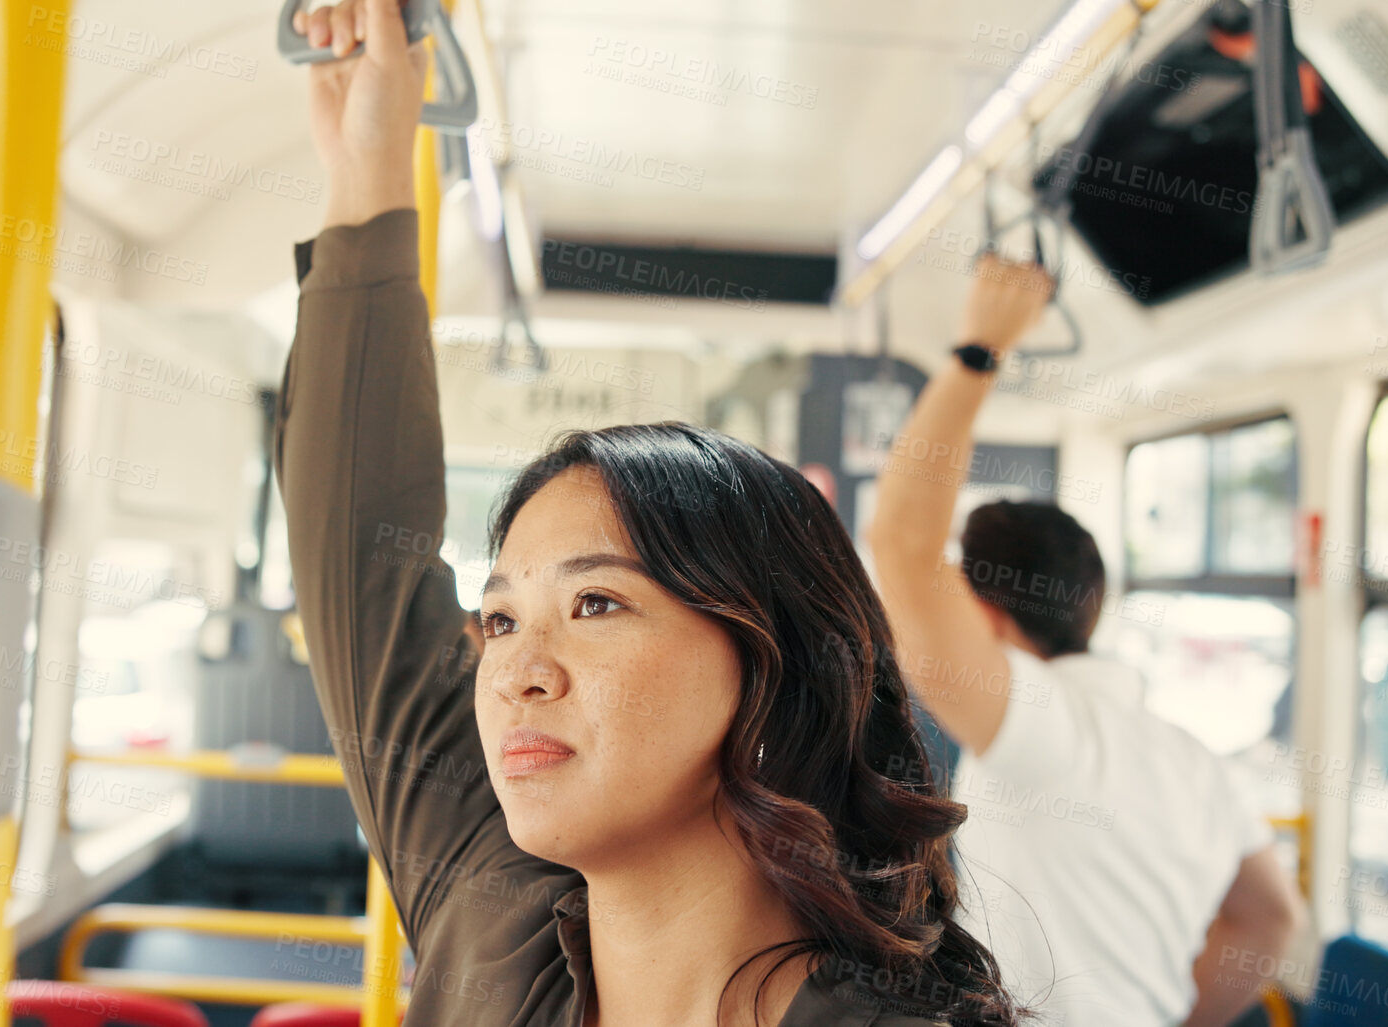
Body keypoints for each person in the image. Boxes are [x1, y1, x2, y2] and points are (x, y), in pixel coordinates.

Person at [274, 1, 1025, 1022]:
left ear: (772, 665)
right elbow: (362, 551)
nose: (517, 673)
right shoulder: (490, 917)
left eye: (595, 604)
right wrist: (367, 169)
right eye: (501, 619)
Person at [864, 261, 1306, 1026]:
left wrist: (980, 347)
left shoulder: (1045, 725)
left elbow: (902, 543)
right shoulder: (1196, 763)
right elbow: (1271, 917)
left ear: (981, 608)